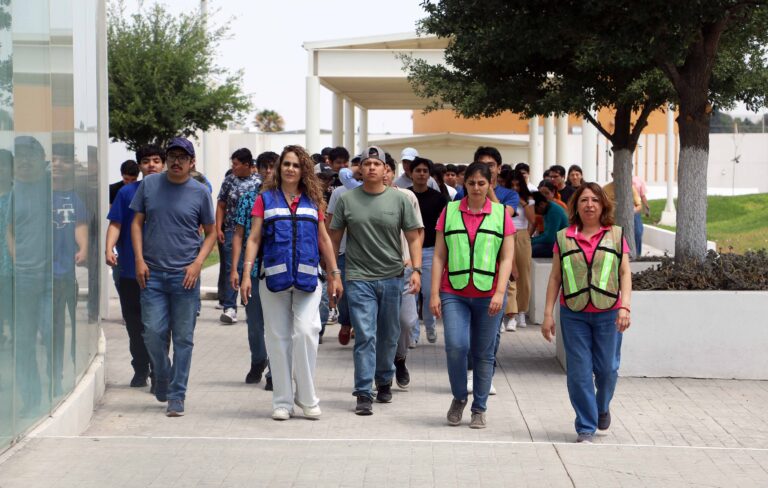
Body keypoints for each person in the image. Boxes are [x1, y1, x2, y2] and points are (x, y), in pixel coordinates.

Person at [240, 145, 341, 421]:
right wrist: (247, 272)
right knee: (278, 339)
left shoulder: (312, 200)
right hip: (273, 277)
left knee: (307, 332)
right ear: (279, 167)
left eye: (296, 165)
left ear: (303, 169)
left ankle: (307, 398)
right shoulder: (265, 199)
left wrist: (334, 274)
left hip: (309, 278)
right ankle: (282, 401)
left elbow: (323, 239)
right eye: (286, 164)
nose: (290, 169)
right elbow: (254, 238)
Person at [329, 145, 423, 416]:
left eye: (376, 164)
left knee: (389, 333)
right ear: (359, 169)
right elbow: (333, 239)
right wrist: (334, 273)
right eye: (366, 163)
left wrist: (416, 270)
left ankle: (384, 379)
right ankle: (362, 391)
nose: (371, 167)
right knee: (366, 334)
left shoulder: (400, 200)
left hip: (393, 277)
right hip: (359, 278)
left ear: (385, 171)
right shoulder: (347, 200)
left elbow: (414, 237)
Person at [130, 137, 217, 417]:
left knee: (183, 339)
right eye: (172, 156)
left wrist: (198, 264)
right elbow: (136, 223)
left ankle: (177, 395)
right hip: (152, 274)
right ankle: (163, 377)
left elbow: (212, 232)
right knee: (153, 333)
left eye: (183, 157)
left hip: (185, 277)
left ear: (192, 163)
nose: (176, 161)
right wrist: (139, 261)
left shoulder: (200, 191)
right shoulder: (150, 184)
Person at [541, 182, 632, 443]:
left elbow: (624, 272)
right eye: (584, 200)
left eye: (594, 200)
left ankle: (602, 407)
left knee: (607, 370)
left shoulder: (615, 235)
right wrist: (548, 314)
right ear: (576, 206)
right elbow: (555, 276)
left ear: (603, 204)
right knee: (579, 372)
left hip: (609, 313)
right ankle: (586, 425)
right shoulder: (563, 237)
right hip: (574, 313)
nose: (589, 205)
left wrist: (625, 306)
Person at [431, 162, 515, 429]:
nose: (476, 188)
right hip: (454, 291)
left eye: (482, 183)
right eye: (471, 183)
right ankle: (459, 397)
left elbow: (508, 255)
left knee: (483, 352)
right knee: (456, 346)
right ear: (463, 184)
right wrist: (433, 293)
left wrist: (501, 292)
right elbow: (439, 255)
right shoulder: (450, 211)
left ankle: (479, 407)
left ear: (490, 184)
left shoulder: (501, 214)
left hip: (489, 293)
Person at [106, 144, 165, 388]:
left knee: (160, 326)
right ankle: (140, 367)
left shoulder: (173, 192)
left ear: (163, 163)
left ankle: (158, 371)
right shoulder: (127, 193)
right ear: (139, 166)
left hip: (163, 271)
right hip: (130, 270)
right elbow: (116, 223)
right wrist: (110, 248)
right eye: (146, 161)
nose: (151, 165)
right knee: (135, 324)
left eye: (156, 160)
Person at [229, 152, 271, 388]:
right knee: (255, 323)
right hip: (252, 269)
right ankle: (258, 360)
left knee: (277, 324)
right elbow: (238, 234)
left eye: (272, 167)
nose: (268, 172)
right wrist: (235, 268)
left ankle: (275, 371)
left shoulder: (286, 198)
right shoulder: (248, 199)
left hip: (277, 270)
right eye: (264, 167)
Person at [216, 148, 261, 325]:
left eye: (236, 164)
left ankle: (249, 304)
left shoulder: (259, 182)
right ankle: (230, 307)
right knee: (231, 267)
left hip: (251, 231)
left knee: (248, 268)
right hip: (231, 230)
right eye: (232, 164)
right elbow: (221, 204)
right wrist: (218, 227)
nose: (233, 167)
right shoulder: (229, 181)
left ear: (247, 165)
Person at [407, 156, 448, 345]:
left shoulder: (439, 198)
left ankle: (430, 326)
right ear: (411, 173)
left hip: (431, 251)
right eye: (418, 170)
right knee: (412, 293)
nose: (422, 174)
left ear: (429, 174)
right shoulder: (404, 196)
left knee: (428, 292)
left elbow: (444, 227)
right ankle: (413, 334)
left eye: (425, 171)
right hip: (408, 252)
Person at [503, 170, 535, 331]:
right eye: (512, 185)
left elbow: (533, 220)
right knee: (509, 274)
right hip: (506, 234)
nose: (515, 187)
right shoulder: (504, 198)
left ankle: (522, 310)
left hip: (522, 234)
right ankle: (511, 314)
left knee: (524, 274)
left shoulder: (528, 199)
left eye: (517, 184)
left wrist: (522, 203)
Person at [531, 191, 569, 258]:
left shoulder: (554, 212)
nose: (535, 213)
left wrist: (531, 241)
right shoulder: (548, 209)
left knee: (531, 250)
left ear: (541, 204)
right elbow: (547, 234)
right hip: (556, 242)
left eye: (535, 210)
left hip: (563, 245)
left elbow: (550, 238)